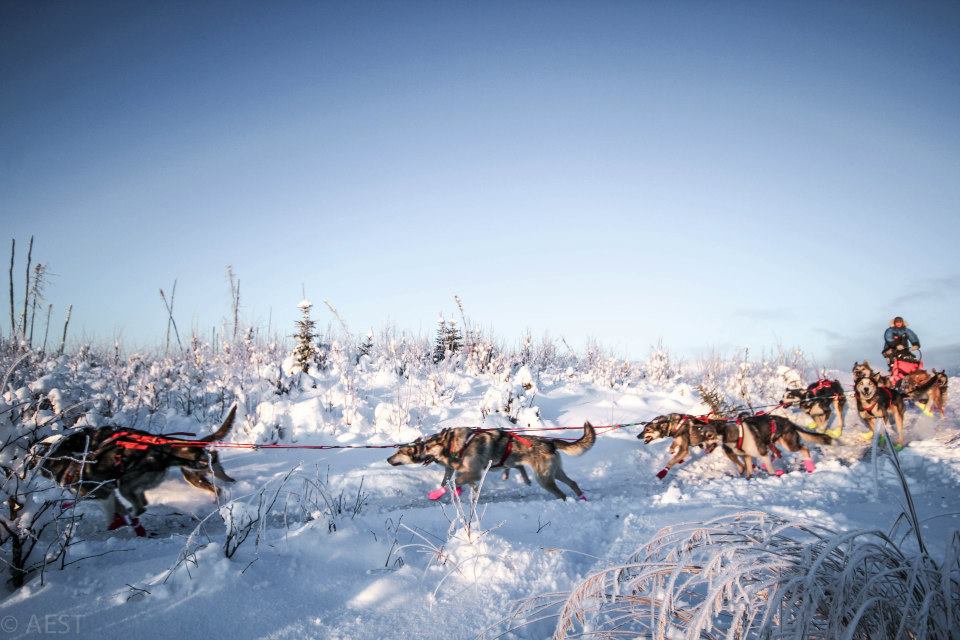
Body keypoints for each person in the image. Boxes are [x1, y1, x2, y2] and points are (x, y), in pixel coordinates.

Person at [882, 316, 922, 384]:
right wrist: (896, 345)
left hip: (904, 350)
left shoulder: (906, 330)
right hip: (891, 350)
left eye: (900, 322)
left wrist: (916, 345)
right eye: (897, 322)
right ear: (894, 323)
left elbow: (913, 337)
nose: (898, 323)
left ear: (902, 323)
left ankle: (913, 376)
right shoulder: (890, 330)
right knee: (894, 362)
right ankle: (894, 378)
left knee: (912, 360)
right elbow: (888, 338)